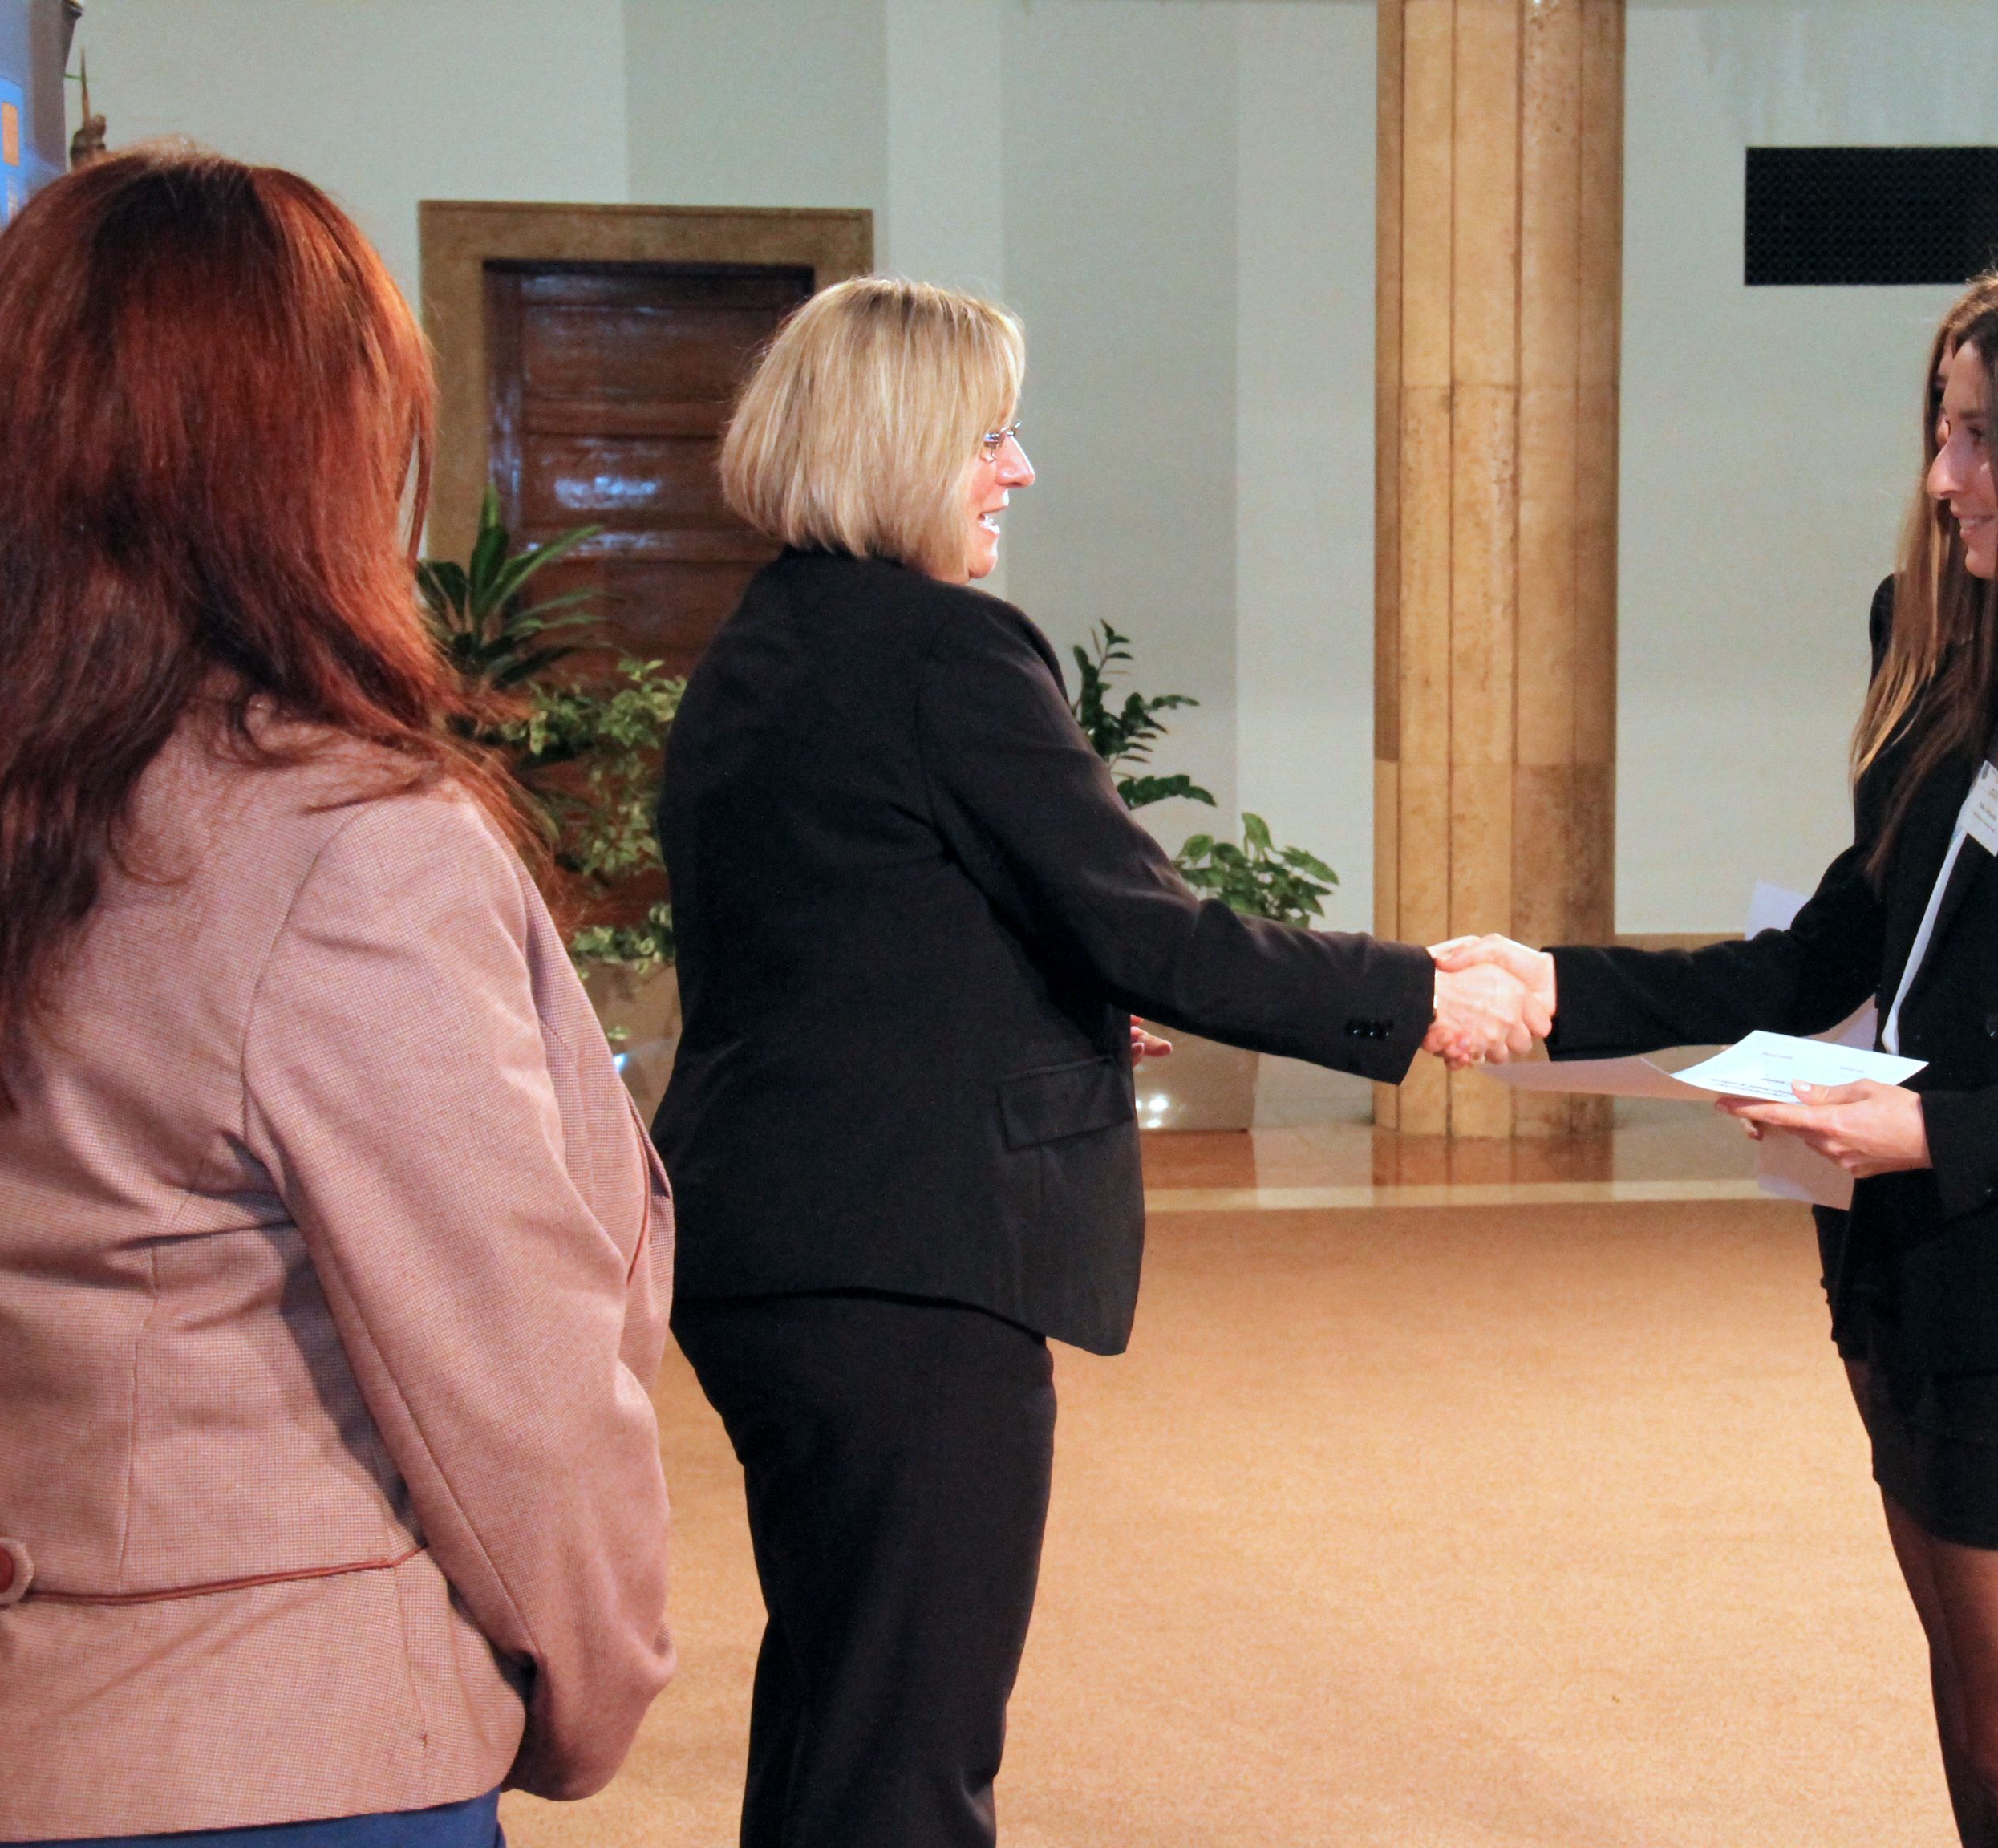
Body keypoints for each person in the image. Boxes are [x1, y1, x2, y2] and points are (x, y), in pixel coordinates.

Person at [654, 274, 1543, 1848]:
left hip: (773, 1245)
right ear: (896, 446)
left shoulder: (763, 645)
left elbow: (844, 930)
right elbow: (1154, 932)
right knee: (909, 1758)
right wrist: (1419, 992)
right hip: (909, 1263)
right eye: (988, 435)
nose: (1020, 468)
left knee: (837, 1714)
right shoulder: (945, 651)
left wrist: (1024, 994)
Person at [1438, 268, 1998, 1848]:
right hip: (1904, 1251)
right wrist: (1556, 987)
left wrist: (1934, 1137)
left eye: (1976, 440)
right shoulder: (1959, 663)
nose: (1941, 476)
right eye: (1939, 430)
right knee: (1995, 1714)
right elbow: (1828, 951)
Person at [0, 147, 676, 1844]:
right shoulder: (338, 849)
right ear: (312, 456)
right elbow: (513, 1397)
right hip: (274, 1757)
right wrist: (596, 1685)